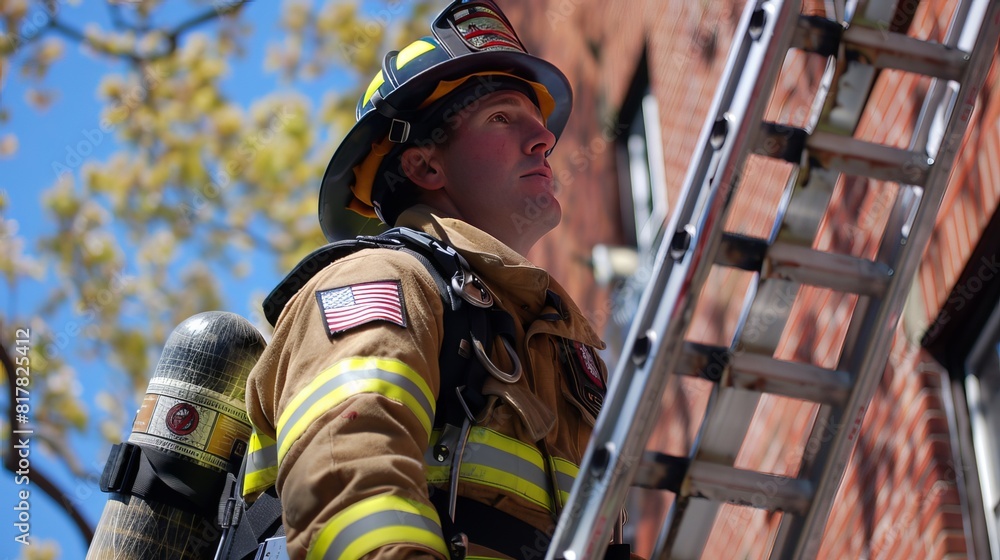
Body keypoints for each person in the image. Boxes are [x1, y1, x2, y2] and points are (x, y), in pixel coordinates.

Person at [244, 1, 610, 558]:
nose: (543, 139)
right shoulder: (384, 280)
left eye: (538, 124)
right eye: (502, 117)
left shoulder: (554, 342)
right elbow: (351, 490)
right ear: (425, 166)